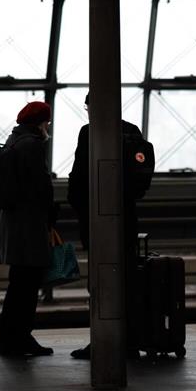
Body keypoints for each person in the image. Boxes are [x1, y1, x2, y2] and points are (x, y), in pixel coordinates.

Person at [66, 93, 147, 360]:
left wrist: (78, 207)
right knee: (128, 279)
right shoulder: (132, 131)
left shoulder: (88, 132)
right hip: (126, 218)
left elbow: (79, 176)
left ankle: (103, 340)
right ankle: (132, 339)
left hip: (96, 218)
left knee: (100, 281)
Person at [0, 100, 56, 357]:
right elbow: (40, 186)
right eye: (47, 122)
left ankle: (12, 338)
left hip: (13, 222)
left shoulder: (13, 141)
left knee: (18, 284)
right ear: (41, 122)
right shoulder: (32, 145)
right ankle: (18, 339)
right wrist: (52, 212)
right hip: (29, 225)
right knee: (27, 286)